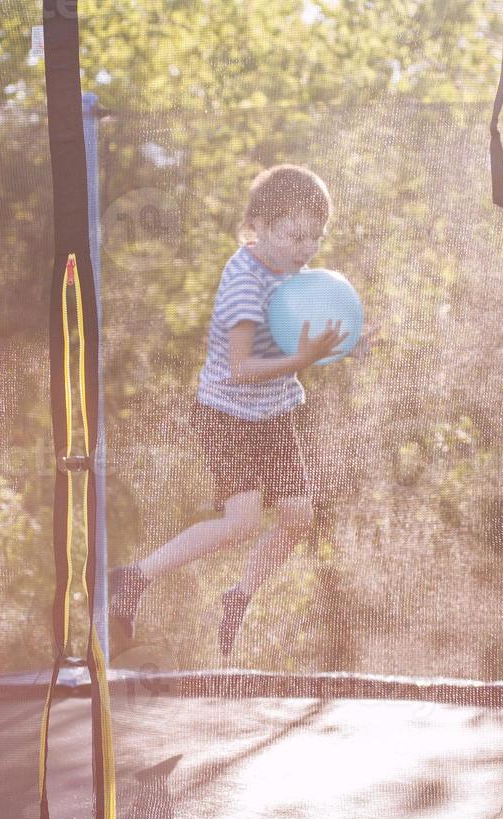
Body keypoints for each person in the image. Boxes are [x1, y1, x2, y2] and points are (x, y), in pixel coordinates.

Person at [108, 163, 371, 660]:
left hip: (273, 413)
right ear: (262, 226)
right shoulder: (246, 282)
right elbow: (242, 368)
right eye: (295, 236)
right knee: (243, 521)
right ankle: (133, 578)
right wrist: (306, 360)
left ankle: (239, 594)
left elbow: (300, 333)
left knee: (297, 515)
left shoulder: (293, 278)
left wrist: (347, 345)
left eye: (314, 239)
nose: (305, 249)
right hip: (227, 413)